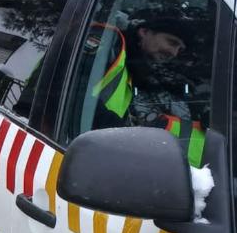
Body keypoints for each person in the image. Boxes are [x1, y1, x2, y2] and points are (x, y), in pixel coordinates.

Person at [88, 12, 206, 166]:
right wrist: (123, 136)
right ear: (144, 32)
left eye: (179, 49)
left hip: (102, 157)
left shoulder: (150, 76)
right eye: (171, 42)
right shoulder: (107, 44)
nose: (174, 53)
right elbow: (67, 96)